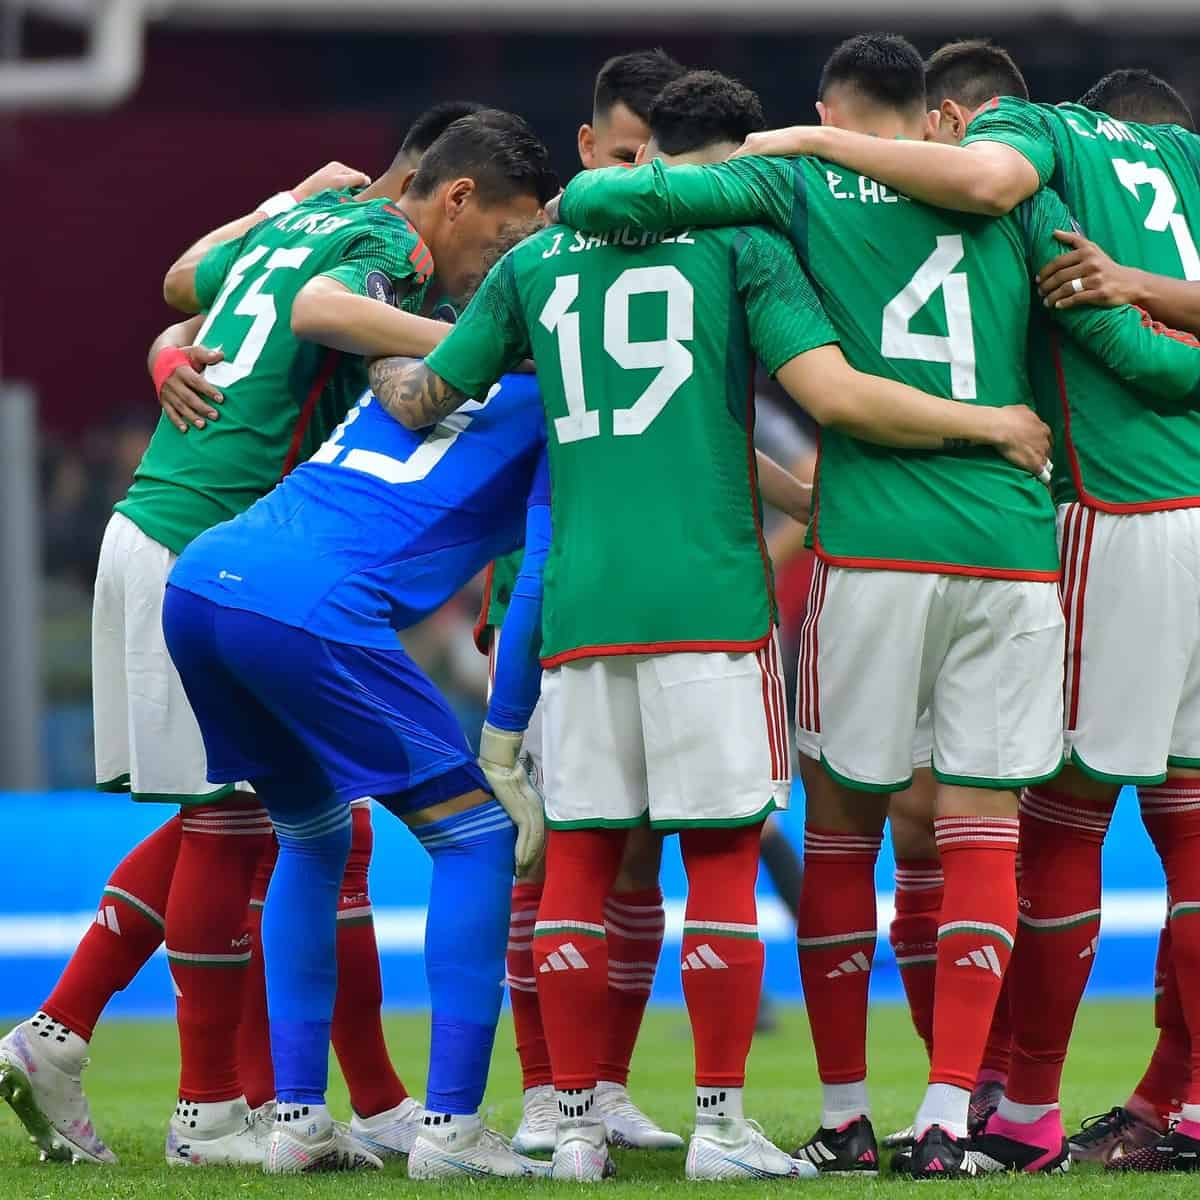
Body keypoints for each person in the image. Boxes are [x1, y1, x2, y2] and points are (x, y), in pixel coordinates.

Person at [381, 66, 1055, 1182]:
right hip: (711, 600)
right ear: (740, 157)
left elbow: (421, 400)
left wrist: (356, 333)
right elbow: (829, 397)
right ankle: (720, 1122)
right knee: (726, 864)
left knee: (582, 863)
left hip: (580, 606)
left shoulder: (537, 259)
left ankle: (574, 1122)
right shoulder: (748, 247)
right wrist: (988, 427)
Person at [553, 34, 1200, 1180]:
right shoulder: (1027, 197)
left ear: (827, 107)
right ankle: (966, 1113)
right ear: (950, 120)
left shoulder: (792, 177)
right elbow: (1118, 342)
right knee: (991, 823)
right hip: (1008, 550)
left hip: (870, 549)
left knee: (853, 828)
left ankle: (850, 1112)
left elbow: (610, 202)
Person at [0, 109, 540, 1172]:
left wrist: (268, 215)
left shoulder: (311, 218)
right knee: (243, 829)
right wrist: (491, 347)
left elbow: (182, 288)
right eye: (498, 239)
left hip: (175, 528)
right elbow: (312, 311)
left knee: (297, 825)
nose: (495, 268)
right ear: (449, 193)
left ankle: (297, 1097)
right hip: (221, 537)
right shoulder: (388, 245)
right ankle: (203, 1105)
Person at [477, 49, 690, 1156]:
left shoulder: (703, 252)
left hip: (656, 595)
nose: (638, 180)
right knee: (555, 849)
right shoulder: (532, 260)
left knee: (638, 852)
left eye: (657, 159)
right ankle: (544, 1092)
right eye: (620, 157)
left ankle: (599, 1085)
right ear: (584, 152)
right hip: (548, 593)